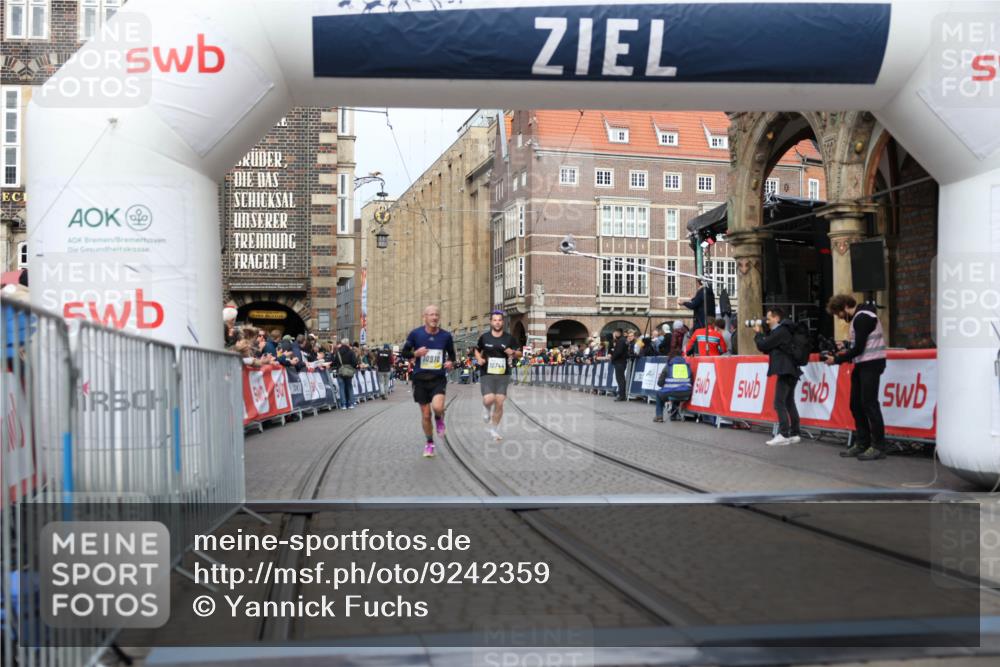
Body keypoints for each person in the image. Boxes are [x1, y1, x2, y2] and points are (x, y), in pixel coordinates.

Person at [826, 294, 888, 461]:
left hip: (871, 364)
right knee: (856, 404)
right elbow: (860, 344)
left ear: (846, 306)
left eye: (839, 313)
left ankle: (878, 446)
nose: (839, 317)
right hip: (862, 365)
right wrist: (846, 345)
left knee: (869, 404)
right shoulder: (858, 319)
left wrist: (837, 359)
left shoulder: (862, 318)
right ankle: (863, 442)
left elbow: (859, 348)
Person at [401, 304, 457, 458]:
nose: (434, 317)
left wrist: (451, 362)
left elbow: (452, 355)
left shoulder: (445, 336)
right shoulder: (416, 334)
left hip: (438, 378)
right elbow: (404, 353)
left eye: (436, 315)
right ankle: (430, 443)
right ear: (424, 317)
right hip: (420, 379)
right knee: (426, 415)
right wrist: (416, 353)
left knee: (438, 407)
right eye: (431, 315)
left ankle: (439, 418)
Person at [754, 307, 802, 446]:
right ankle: (795, 432)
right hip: (792, 370)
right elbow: (768, 347)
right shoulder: (784, 331)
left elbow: (763, 345)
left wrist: (758, 334)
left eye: (769, 318)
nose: (767, 321)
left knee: (779, 402)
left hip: (785, 370)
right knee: (789, 401)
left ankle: (783, 434)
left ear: (776, 318)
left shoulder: (780, 331)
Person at [475, 310, 521, 442]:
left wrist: (512, 352)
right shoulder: (485, 337)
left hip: (503, 374)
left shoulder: (509, 338)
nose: (497, 322)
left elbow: (520, 353)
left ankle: (494, 430)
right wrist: (479, 358)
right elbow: (477, 350)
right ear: (491, 322)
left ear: (503, 322)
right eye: (495, 320)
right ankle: (486, 407)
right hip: (487, 373)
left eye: (499, 320)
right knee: (489, 399)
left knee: (500, 403)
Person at [654, 354, 693, 423]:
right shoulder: (687, 366)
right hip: (687, 394)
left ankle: (659, 416)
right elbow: (691, 381)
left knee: (658, 394)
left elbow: (660, 383)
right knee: (678, 391)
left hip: (672, 393)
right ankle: (674, 416)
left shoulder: (668, 366)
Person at [329, 339, 357, 409]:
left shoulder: (338, 352)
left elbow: (334, 362)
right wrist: (351, 368)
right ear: (347, 344)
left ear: (342, 344)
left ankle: (343, 405)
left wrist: (331, 365)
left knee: (341, 388)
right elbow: (354, 363)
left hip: (340, 371)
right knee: (349, 387)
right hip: (349, 372)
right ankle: (351, 404)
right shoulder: (351, 352)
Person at [610, 328, 629, 401]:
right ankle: (621, 394)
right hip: (621, 361)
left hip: (619, 362)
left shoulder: (621, 341)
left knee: (620, 379)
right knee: (621, 379)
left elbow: (619, 352)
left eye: (615, 333)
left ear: (618, 333)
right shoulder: (623, 340)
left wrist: (613, 358)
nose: (614, 335)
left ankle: (622, 395)